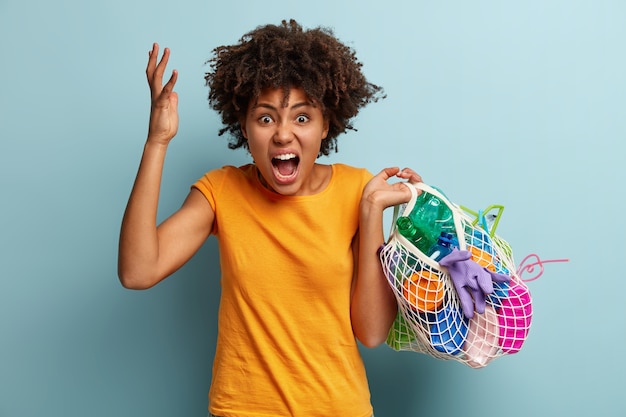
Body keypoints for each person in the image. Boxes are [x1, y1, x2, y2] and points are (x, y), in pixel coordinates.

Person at [118, 19, 422, 417]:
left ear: (325, 124)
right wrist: (157, 141)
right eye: (265, 118)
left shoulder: (357, 191)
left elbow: (371, 332)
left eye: (301, 117)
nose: (282, 135)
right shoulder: (222, 191)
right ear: (244, 128)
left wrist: (370, 215)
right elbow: (138, 271)